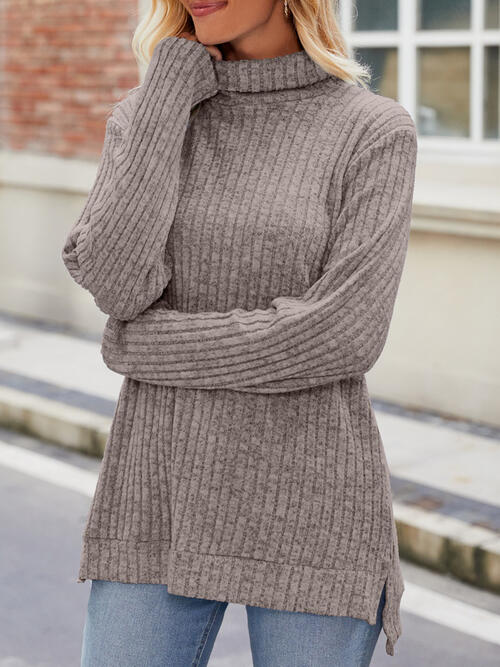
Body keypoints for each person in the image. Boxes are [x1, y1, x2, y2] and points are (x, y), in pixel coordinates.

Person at [61, 0, 418, 665]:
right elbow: (115, 282)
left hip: (313, 506)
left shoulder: (371, 130)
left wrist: (146, 344)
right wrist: (167, 96)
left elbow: (342, 334)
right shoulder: (146, 115)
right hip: (157, 495)